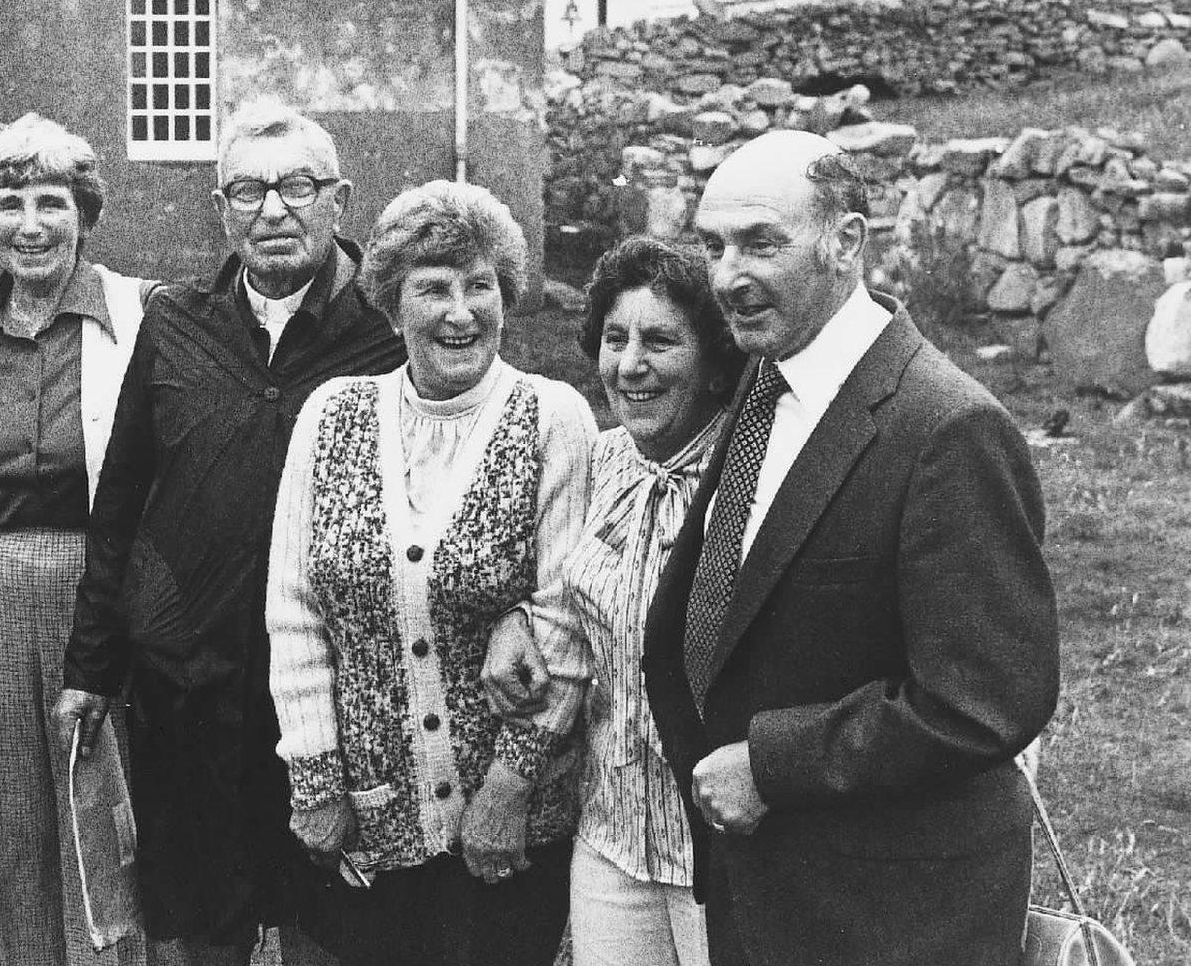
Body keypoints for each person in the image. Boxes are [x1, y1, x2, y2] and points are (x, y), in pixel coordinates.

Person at [639, 130, 1059, 966]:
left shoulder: (948, 427)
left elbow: (987, 699)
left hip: (892, 915)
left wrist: (772, 765)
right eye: (714, 245)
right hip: (769, 893)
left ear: (848, 242)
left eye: (762, 243)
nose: (728, 275)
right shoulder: (769, 384)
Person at [55, 100, 406, 966]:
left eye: (297, 186)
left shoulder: (387, 331)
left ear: (340, 199)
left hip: (333, 691)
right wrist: (93, 663)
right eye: (247, 190)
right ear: (220, 208)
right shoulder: (177, 321)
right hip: (191, 682)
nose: (272, 210)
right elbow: (122, 500)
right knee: (202, 922)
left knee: (331, 922)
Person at [265, 180, 596, 966]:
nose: (460, 312)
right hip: (374, 820)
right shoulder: (332, 414)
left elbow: (568, 620)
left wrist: (508, 793)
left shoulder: (554, 418)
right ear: (392, 303)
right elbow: (295, 610)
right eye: (434, 289)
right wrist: (315, 781)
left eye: (480, 286)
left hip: (508, 827)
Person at [0, 114, 152, 965]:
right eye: (9, 203)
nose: (30, 223)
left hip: (98, 597)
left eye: (51, 201)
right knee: (14, 818)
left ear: (85, 215)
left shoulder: (135, 313)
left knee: (99, 814)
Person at [531, 237, 745, 966]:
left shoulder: (755, 476)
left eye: (660, 341)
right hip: (613, 836)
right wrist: (519, 625)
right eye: (616, 339)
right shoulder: (601, 457)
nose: (630, 365)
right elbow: (564, 597)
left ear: (715, 360)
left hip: (723, 851)